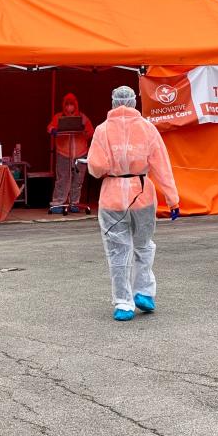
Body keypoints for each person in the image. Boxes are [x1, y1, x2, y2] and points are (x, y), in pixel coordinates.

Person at [87, 86, 180, 322]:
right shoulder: (148, 129)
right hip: (143, 196)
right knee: (143, 245)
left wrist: (112, 166)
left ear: (113, 102)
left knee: (118, 252)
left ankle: (123, 303)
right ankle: (145, 292)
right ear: (133, 102)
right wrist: (172, 199)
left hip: (112, 198)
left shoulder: (102, 130)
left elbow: (96, 167)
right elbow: (162, 166)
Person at [47, 92, 95, 212]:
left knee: (78, 180)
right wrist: (54, 131)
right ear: (64, 105)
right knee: (62, 179)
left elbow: (91, 132)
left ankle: (75, 203)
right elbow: (50, 127)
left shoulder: (83, 118)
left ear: (76, 105)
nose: (69, 107)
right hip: (64, 153)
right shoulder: (58, 117)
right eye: (67, 104)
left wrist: (84, 130)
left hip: (80, 154)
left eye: (71, 104)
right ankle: (58, 203)